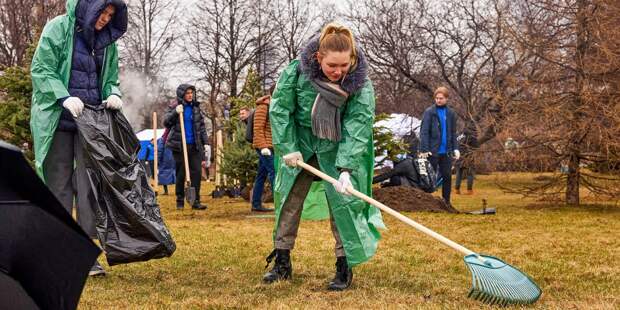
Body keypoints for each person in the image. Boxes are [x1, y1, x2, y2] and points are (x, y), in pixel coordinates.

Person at [263, 23, 384, 291]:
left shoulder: (360, 84)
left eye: (344, 65)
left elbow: (357, 125)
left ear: (352, 59)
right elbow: (281, 109)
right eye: (332, 66)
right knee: (288, 202)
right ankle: (282, 262)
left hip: (338, 148)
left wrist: (346, 169)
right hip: (301, 147)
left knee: (343, 206)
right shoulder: (296, 71)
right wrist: (288, 147)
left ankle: (344, 265)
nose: (338, 72)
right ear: (319, 58)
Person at [30, 0, 128, 277]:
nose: (106, 19)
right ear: (90, 7)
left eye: (111, 15)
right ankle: (58, 251)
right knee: (58, 187)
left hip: (90, 122)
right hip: (58, 119)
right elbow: (42, 69)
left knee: (89, 189)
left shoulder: (107, 42)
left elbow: (110, 78)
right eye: (103, 13)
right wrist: (63, 96)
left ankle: (85, 255)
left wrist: (113, 93)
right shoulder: (58, 29)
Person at [163, 84, 209, 210]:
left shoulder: (195, 108)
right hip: (179, 145)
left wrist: (206, 143)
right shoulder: (174, 106)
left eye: (191, 93)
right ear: (182, 94)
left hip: (194, 145)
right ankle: (180, 200)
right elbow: (166, 122)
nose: (190, 95)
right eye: (187, 93)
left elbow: (202, 127)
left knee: (197, 172)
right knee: (181, 173)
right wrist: (175, 113)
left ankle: (195, 201)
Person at [419, 86, 460, 205]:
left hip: (446, 151)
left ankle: (446, 201)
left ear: (446, 99)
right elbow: (424, 131)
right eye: (436, 98)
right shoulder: (429, 112)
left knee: (447, 176)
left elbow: (453, 132)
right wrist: (424, 149)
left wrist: (455, 148)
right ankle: (426, 201)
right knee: (429, 177)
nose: (438, 100)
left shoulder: (451, 113)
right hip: (432, 151)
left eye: (441, 98)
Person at [251, 91, 275, 212]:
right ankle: (281, 204)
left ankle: (256, 204)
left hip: (271, 146)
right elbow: (258, 128)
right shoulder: (263, 107)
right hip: (265, 147)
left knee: (261, 175)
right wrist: (263, 147)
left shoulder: (275, 105)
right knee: (274, 173)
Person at [455, 123, 478, 195]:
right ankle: (469, 190)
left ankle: (457, 189)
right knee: (470, 173)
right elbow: (476, 147)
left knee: (459, 172)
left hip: (459, 155)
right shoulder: (472, 136)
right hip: (468, 156)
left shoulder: (460, 135)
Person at [157, 131, 175, 195]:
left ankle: (166, 191)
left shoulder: (162, 139)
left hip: (165, 159)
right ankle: (179, 190)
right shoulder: (175, 138)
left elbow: (159, 150)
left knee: (163, 174)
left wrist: (157, 160)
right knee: (177, 173)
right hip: (175, 159)